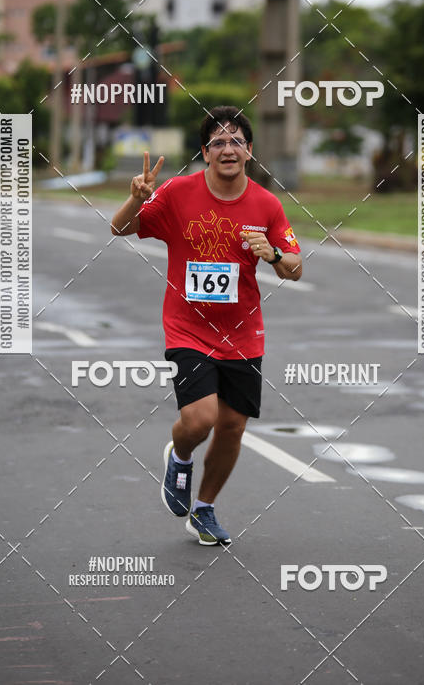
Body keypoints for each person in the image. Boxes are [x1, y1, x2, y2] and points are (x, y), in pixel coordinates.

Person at [111, 107, 302, 545]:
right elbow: (119, 228)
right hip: (187, 330)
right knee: (200, 419)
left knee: (232, 426)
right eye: (218, 142)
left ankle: (204, 509)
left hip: (244, 333)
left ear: (250, 152)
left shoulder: (266, 204)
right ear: (205, 153)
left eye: (237, 141)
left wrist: (271, 255)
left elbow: (295, 268)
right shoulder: (178, 193)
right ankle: (179, 455)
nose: (228, 148)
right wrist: (137, 198)